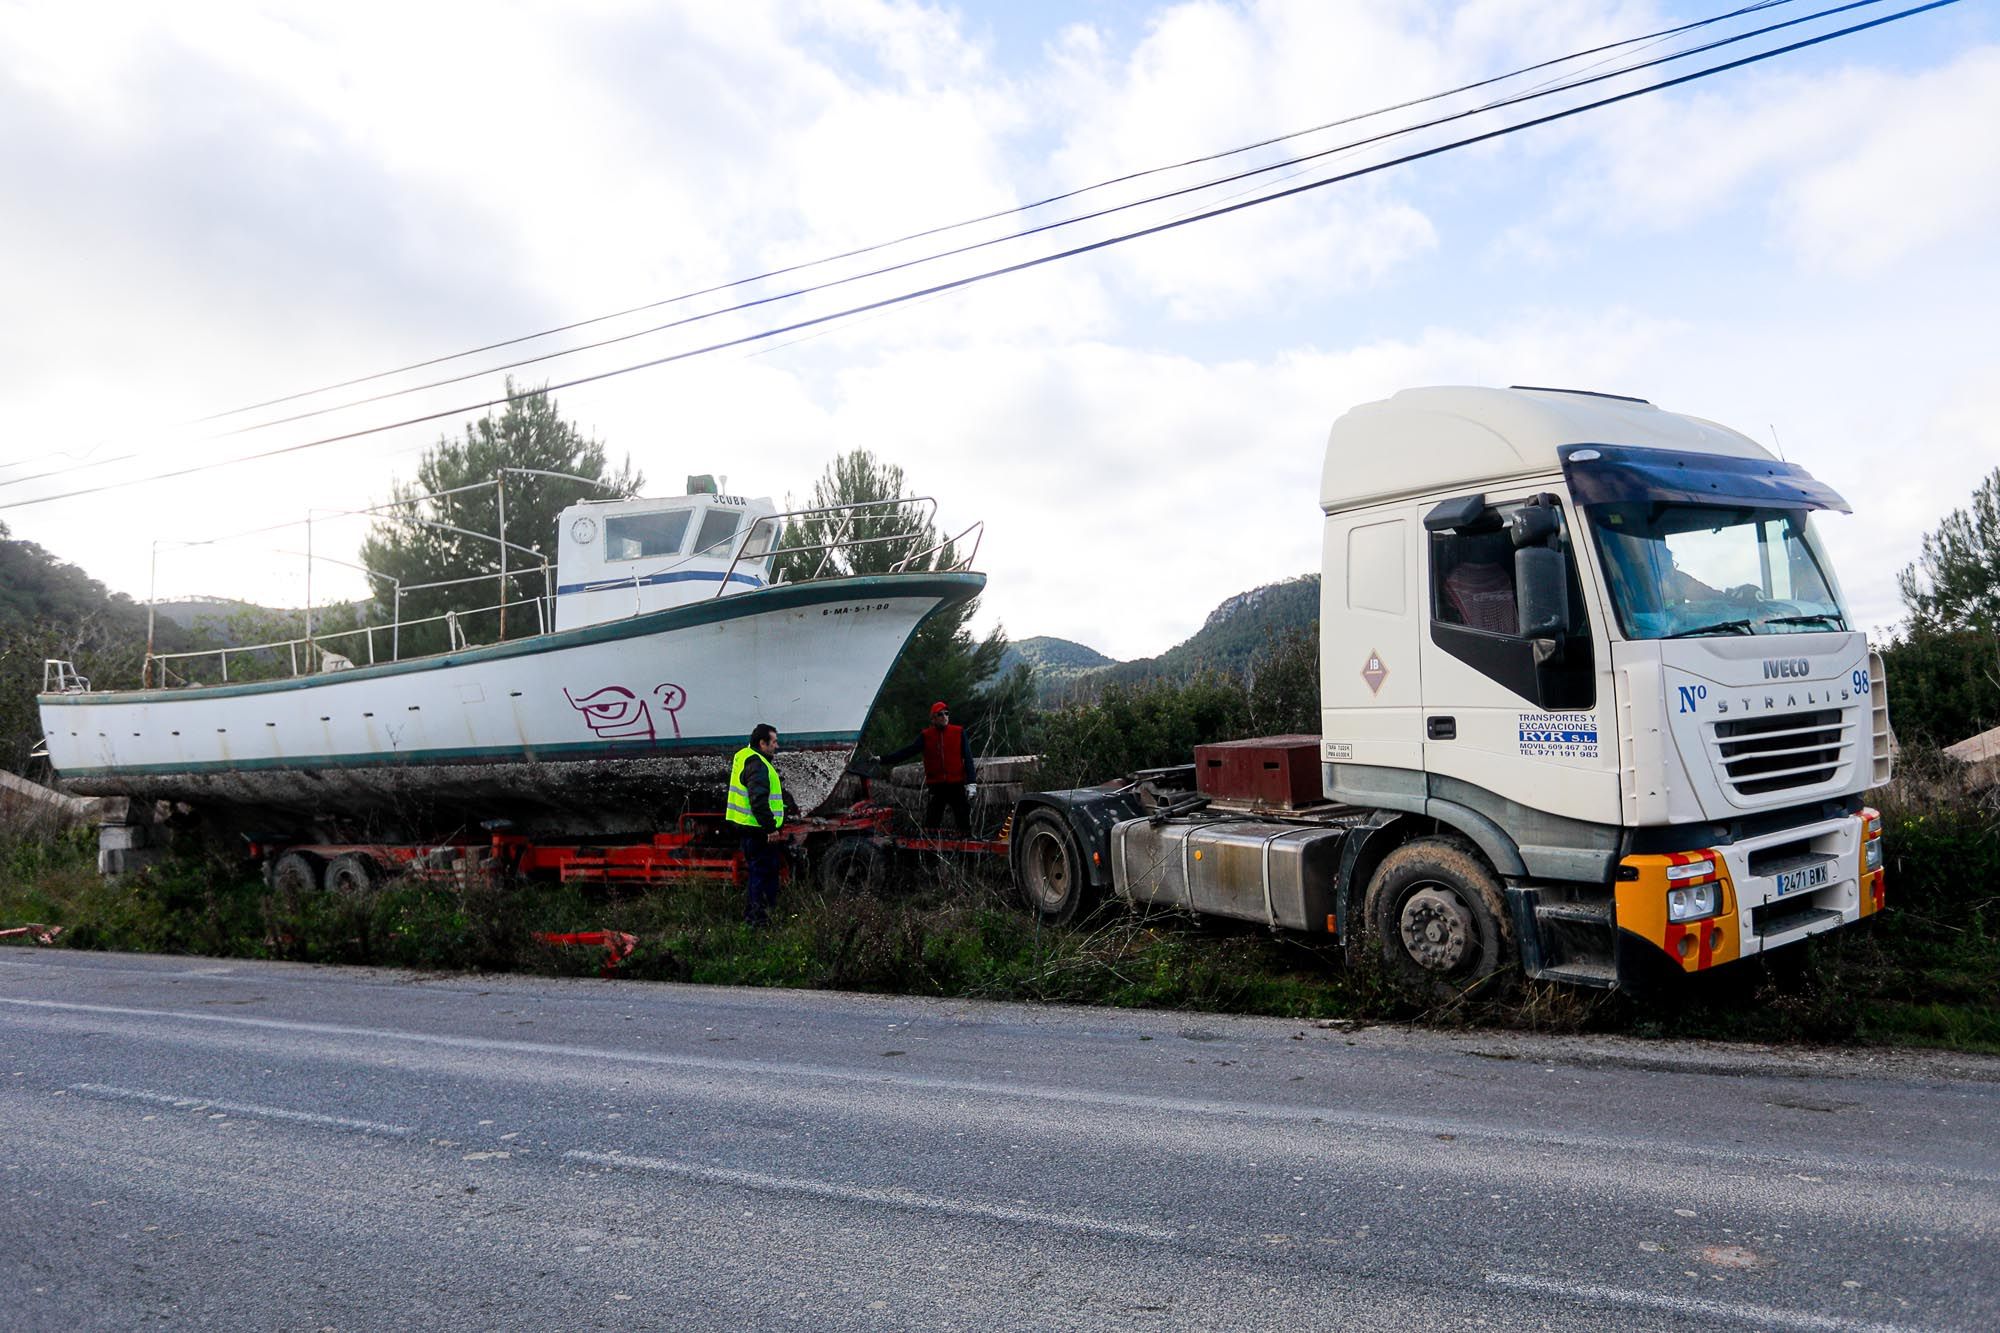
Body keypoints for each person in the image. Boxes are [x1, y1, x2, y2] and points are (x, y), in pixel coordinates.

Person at [879, 701, 977, 834]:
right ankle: (930, 851)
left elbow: (968, 758)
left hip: (956, 784)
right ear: (933, 718)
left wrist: (971, 783)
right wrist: (882, 759)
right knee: (931, 823)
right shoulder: (926, 735)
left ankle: (967, 850)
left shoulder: (958, 732)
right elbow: (907, 752)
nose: (944, 717)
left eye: (946, 713)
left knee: (963, 821)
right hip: (937, 786)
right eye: (940, 714)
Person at [726, 723, 785, 925]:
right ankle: (758, 920)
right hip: (759, 831)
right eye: (774, 742)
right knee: (762, 874)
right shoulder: (757, 764)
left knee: (758, 873)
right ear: (763, 743)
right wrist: (771, 828)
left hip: (749, 828)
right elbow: (758, 800)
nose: (777, 746)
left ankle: (758, 916)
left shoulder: (745, 755)